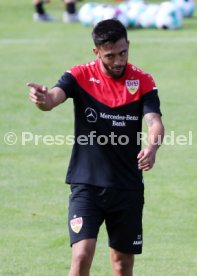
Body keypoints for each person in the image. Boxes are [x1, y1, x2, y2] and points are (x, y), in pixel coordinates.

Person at [27, 19, 164, 276]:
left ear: (128, 45)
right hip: (86, 183)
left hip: (127, 186)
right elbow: (53, 98)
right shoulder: (79, 76)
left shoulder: (142, 81)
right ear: (97, 52)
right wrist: (42, 99)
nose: (118, 61)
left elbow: (154, 122)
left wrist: (152, 147)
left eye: (123, 53)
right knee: (81, 256)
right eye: (110, 56)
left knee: (122, 265)